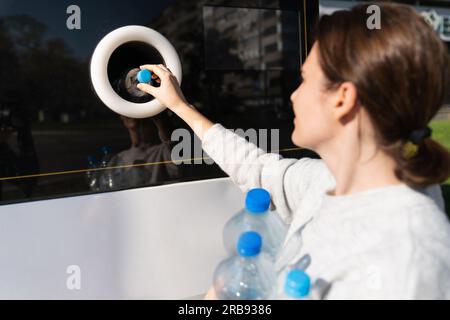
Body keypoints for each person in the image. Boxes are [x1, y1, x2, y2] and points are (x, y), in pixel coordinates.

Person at [137, 3, 450, 299]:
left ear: (342, 99)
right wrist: (180, 106)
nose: (294, 97)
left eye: (304, 80)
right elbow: (254, 166)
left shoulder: (408, 257)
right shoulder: (329, 182)